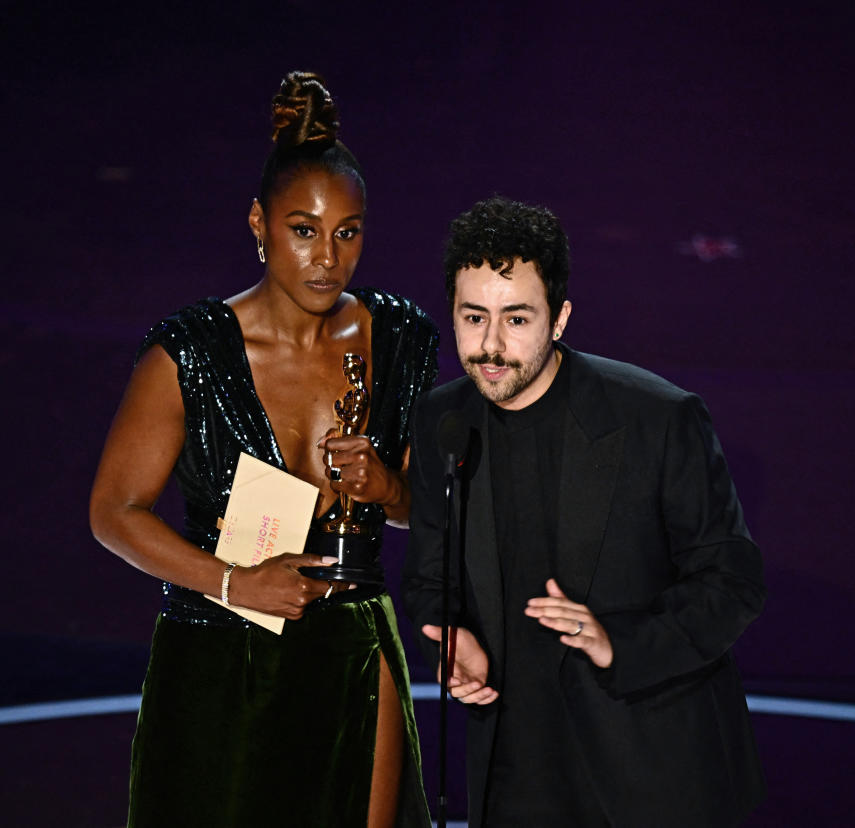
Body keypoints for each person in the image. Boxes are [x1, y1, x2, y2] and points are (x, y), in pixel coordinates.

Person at [90, 71, 437, 827]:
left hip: (355, 644)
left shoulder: (401, 340)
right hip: (222, 654)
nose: (327, 257)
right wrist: (231, 582)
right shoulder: (191, 353)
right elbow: (113, 513)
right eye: (303, 229)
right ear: (258, 222)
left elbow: (426, 511)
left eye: (347, 233)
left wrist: (390, 491)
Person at [402, 196, 765, 827]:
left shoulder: (657, 417)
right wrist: (453, 637)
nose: (490, 345)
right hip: (514, 771)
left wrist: (614, 643)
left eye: (517, 319)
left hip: (652, 769)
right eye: (473, 317)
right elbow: (432, 578)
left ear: (560, 318)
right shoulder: (441, 421)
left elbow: (733, 581)